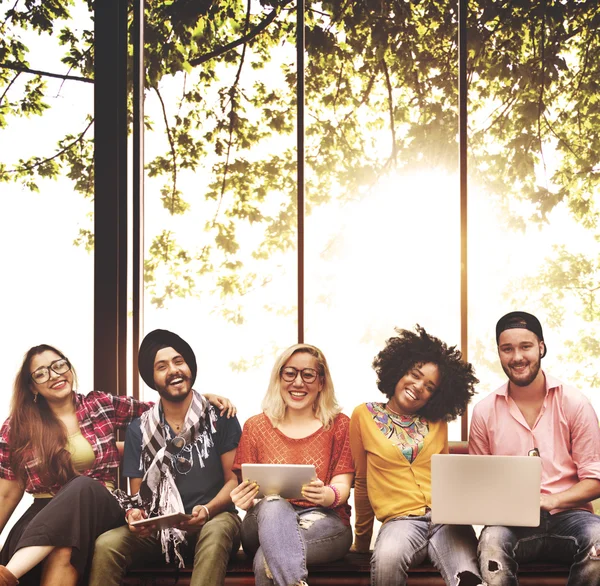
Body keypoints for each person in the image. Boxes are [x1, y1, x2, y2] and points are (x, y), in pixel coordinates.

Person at [0, 343, 233, 586]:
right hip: (43, 516)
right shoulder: (17, 426)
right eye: (41, 373)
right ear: (31, 386)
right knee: (63, 548)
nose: (55, 375)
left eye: (59, 365)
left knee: (82, 486)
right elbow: (5, 495)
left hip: (102, 505)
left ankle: (8, 575)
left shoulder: (100, 404)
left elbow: (163, 409)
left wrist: (200, 399)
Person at [89, 329, 242, 586]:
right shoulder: (140, 429)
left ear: (189, 367)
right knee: (107, 544)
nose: (173, 370)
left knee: (216, 532)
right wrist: (136, 517)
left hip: (216, 518)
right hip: (162, 530)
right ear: (153, 378)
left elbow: (235, 481)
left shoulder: (219, 416)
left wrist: (206, 510)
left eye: (179, 361)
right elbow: (140, 498)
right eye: (162, 366)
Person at [469, 311, 600, 585]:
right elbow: (478, 484)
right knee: (491, 542)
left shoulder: (575, 403)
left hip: (571, 516)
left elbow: (595, 480)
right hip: (511, 522)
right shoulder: (483, 412)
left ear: (541, 347)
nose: (517, 357)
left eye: (525, 346)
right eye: (507, 349)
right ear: (500, 353)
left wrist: (551, 500)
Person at [350, 326, 483, 586]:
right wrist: (361, 543)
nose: (418, 386)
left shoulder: (438, 423)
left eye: (430, 387)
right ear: (399, 370)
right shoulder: (363, 415)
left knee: (468, 578)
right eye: (415, 375)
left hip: (447, 521)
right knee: (386, 559)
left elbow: (446, 478)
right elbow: (362, 481)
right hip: (400, 523)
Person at [230, 343, 353, 586]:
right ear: (279, 378)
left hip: (324, 521)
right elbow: (247, 489)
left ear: (321, 383)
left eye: (308, 375)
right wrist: (244, 499)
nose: (298, 383)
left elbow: (342, 485)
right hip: (262, 522)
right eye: (290, 373)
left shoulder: (339, 425)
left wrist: (326, 494)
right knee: (274, 504)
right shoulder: (255, 427)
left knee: (266, 557)